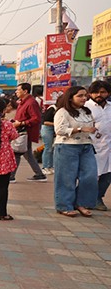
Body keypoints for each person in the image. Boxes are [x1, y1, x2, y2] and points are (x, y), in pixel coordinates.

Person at [53, 86, 98, 217]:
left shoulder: (86, 111)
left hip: (86, 145)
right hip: (67, 146)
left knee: (90, 176)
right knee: (66, 178)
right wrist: (79, 129)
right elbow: (60, 130)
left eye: (85, 95)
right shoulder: (63, 112)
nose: (84, 98)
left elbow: (91, 126)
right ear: (70, 97)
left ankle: (81, 203)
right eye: (80, 96)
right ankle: (64, 205)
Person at [12, 82, 47, 182]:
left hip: (25, 132)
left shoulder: (31, 102)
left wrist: (22, 123)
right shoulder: (22, 102)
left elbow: (36, 118)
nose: (16, 92)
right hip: (20, 131)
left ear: (25, 91)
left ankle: (11, 176)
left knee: (17, 152)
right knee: (26, 154)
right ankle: (39, 174)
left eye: (18, 90)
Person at [86, 80, 111, 210]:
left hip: (108, 146)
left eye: (102, 92)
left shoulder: (110, 107)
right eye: (95, 92)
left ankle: (98, 198)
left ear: (108, 93)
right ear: (90, 93)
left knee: (108, 175)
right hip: (91, 146)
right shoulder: (85, 107)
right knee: (91, 175)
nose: (99, 95)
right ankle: (84, 199)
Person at [40, 102, 57, 175]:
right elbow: (45, 122)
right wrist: (56, 124)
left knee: (52, 149)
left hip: (53, 129)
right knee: (48, 148)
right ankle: (45, 167)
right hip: (47, 129)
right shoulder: (52, 108)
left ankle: (51, 166)